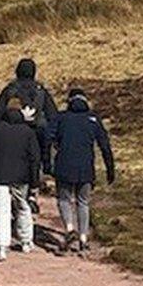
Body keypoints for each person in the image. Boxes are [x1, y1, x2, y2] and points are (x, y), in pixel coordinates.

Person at [47, 88, 115, 253]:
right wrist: (110, 169)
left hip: (64, 165)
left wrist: (46, 163)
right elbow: (104, 145)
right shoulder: (93, 119)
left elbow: (47, 138)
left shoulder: (61, 118)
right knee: (83, 202)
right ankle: (84, 239)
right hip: (86, 168)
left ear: (69, 101)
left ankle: (70, 229)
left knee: (64, 199)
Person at [0, 97, 41, 261]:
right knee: (23, 206)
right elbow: (34, 158)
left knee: (1, 209)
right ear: (21, 111)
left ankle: (1, 245)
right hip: (22, 177)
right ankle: (26, 240)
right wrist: (35, 182)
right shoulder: (28, 132)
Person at [0, 58, 58, 177]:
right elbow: (52, 114)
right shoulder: (40, 90)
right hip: (38, 132)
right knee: (36, 159)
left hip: (14, 131)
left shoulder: (10, 90)